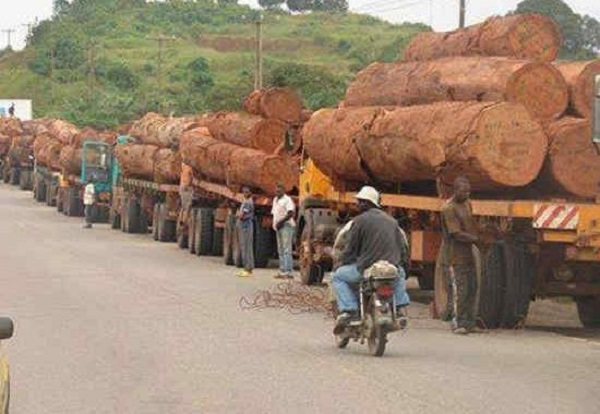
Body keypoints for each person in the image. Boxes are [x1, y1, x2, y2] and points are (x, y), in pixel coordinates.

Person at [332, 186, 410, 331]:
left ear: (367, 203)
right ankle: (399, 309)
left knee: (338, 277)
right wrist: (405, 267)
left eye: (360, 202)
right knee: (400, 274)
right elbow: (403, 248)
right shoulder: (392, 221)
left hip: (367, 268)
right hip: (391, 268)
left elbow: (350, 249)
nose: (358, 205)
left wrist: (341, 263)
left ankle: (349, 310)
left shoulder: (359, 221)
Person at [440, 176, 479, 334]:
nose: (467, 194)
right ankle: (457, 322)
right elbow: (455, 233)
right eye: (464, 191)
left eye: (469, 191)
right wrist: (476, 239)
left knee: (472, 287)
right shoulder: (449, 208)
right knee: (459, 290)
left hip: (467, 255)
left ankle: (469, 322)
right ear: (455, 190)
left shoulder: (467, 204)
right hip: (454, 256)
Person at [272, 183, 296, 279]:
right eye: (276, 191)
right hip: (278, 226)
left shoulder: (287, 200)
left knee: (286, 249)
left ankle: (288, 271)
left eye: (279, 191)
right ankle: (282, 270)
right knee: (280, 249)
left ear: (284, 191)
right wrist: (275, 224)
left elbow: (290, 213)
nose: (277, 192)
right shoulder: (275, 200)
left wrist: (281, 222)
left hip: (286, 226)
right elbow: (274, 213)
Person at [236, 186, 255, 278]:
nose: (245, 194)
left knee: (246, 247)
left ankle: (247, 268)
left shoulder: (247, 202)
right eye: (244, 192)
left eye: (247, 192)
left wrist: (238, 214)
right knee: (247, 247)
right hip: (245, 226)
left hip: (246, 227)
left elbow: (242, 215)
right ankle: (248, 268)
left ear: (250, 192)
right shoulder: (246, 201)